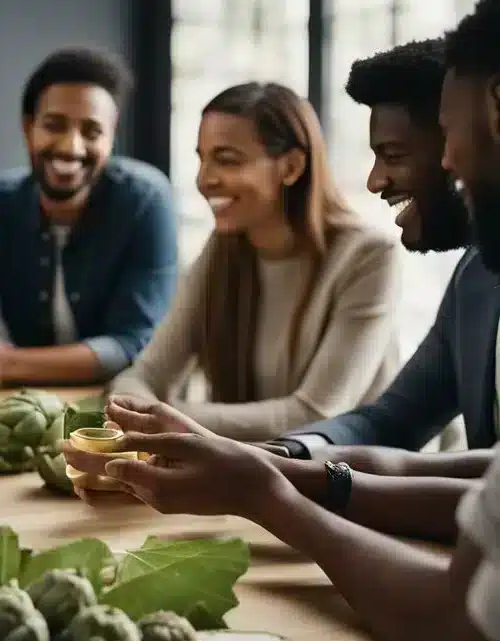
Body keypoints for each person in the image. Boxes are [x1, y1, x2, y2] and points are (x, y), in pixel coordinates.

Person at [62, 5, 500, 641]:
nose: (379, 179)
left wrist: (267, 485)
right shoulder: (478, 279)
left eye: (421, 145)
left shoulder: (364, 256)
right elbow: (404, 435)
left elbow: (458, 616)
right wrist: (277, 464)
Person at [108, 82, 403, 442]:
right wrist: (142, 405)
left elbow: (317, 413)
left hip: (358, 480)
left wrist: (159, 414)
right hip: (258, 472)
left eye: (227, 160)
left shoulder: (369, 256)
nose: (204, 180)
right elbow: (143, 375)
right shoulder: (223, 247)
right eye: (202, 158)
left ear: (291, 167)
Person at [262, 38, 498, 479]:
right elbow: (390, 422)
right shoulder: (476, 276)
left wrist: (280, 480)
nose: (374, 181)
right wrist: (280, 455)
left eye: (393, 155)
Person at [0, 47, 179, 386]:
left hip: (121, 407)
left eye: (92, 131)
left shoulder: (146, 201)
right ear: (28, 127)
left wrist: (3, 361)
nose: (71, 147)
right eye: (54, 125)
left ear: (111, 138)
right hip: (22, 406)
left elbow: (131, 344)